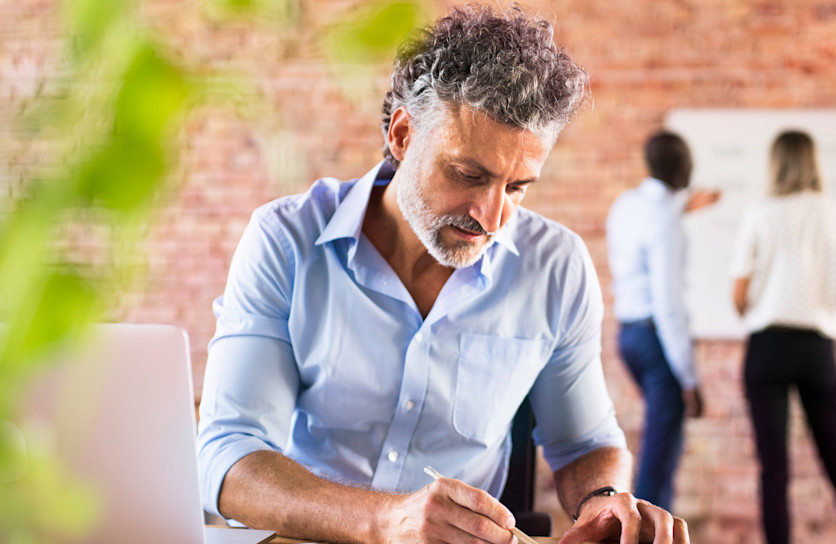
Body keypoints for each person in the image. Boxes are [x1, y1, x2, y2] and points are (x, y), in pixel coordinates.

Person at [196, 5, 690, 544]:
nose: (491, 215)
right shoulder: (285, 239)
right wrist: (386, 523)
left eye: (518, 186)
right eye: (468, 175)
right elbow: (229, 455)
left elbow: (585, 443)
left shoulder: (556, 266)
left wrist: (603, 502)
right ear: (404, 135)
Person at [729, 130, 836, 544]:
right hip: (817, 348)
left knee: (773, 470)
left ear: (775, 163)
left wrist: (757, 310)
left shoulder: (760, 214)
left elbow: (738, 297)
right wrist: (834, 311)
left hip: (768, 347)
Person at [605, 131, 719, 512]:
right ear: (682, 167)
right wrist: (689, 379)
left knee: (655, 444)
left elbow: (656, 220)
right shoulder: (666, 222)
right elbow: (668, 305)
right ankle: (646, 534)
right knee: (660, 458)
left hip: (629, 337)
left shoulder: (628, 204)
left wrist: (685, 206)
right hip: (657, 341)